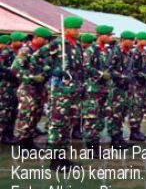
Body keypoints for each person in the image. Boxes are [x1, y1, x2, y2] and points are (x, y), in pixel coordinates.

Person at [48, 16, 85, 171]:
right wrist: (53, 71)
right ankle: (54, 160)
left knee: (68, 125)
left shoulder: (77, 45)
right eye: (75, 28)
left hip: (74, 90)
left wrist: (81, 85)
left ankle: (63, 158)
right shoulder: (57, 44)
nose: (77, 31)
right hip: (61, 92)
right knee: (57, 125)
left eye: (78, 28)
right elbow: (40, 61)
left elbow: (80, 67)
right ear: (66, 29)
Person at [11, 29, 52, 148]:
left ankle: (29, 142)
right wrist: (31, 77)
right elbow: (15, 68)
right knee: (26, 116)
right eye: (44, 39)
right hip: (27, 89)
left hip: (39, 88)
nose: (46, 42)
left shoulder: (42, 52)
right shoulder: (26, 50)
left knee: (36, 115)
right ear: (37, 37)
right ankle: (22, 143)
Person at [81, 25, 114, 153]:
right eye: (109, 35)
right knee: (91, 118)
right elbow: (85, 67)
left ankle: (96, 143)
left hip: (103, 88)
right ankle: (91, 147)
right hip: (92, 89)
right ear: (101, 35)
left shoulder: (106, 51)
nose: (110, 38)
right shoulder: (90, 50)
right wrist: (100, 74)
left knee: (100, 117)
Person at [0, 32, 24, 145]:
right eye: (20, 41)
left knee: (12, 112)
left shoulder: (18, 53)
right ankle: (3, 136)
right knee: (4, 112)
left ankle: (9, 135)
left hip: (14, 86)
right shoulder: (6, 53)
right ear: (13, 41)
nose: (22, 43)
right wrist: (11, 72)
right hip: (6, 87)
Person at [128, 31, 146, 141]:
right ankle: (133, 131)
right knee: (135, 108)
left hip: (143, 84)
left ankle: (138, 130)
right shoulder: (134, 52)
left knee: (141, 107)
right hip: (135, 84)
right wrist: (142, 75)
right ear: (140, 40)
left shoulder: (145, 52)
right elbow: (132, 69)